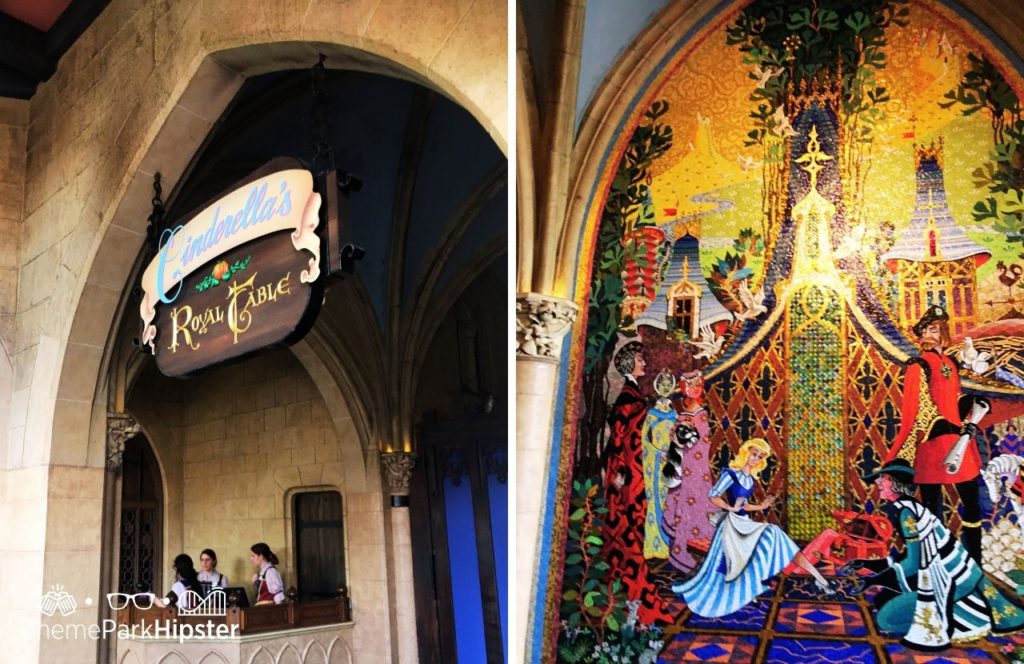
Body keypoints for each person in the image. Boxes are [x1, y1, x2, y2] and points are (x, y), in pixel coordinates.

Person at [846, 460, 1024, 650]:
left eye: (883, 479)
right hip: (951, 577)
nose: (878, 483)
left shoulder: (908, 513)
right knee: (882, 600)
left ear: (896, 484)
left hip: (953, 583)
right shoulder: (911, 508)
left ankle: (953, 620)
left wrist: (873, 580)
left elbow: (913, 563)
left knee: (885, 619)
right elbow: (912, 556)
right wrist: (867, 565)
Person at [672, 438, 835, 617]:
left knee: (777, 535)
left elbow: (745, 505)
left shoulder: (750, 479)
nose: (755, 458)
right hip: (732, 525)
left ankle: (818, 577)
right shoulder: (731, 474)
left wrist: (762, 507)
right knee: (745, 554)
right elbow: (714, 496)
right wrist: (730, 508)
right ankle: (744, 591)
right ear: (746, 451)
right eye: (754, 453)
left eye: (760, 456)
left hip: (745, 522)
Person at [883, 305, 987, 563]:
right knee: (932, 509)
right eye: (929, 329)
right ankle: (934, 563)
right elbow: (917, 407)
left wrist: (970, 410)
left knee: (972, 505)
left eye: (938, 329)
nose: (934, 334)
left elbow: (954, 398)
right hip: (931, 442)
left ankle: (975, 560)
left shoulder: (951, 363)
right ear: (920, 335)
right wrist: (945, 426)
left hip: (959, 441)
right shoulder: (918, 366)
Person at [600, 341, 673, 624]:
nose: (644, 363)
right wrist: (618, 471)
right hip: (628, 473)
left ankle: (632, 582)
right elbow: (618, 437)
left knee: (635, 521)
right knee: (629, 521)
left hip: (635, 469)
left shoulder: (633, 395)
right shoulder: (628, 398)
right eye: (640, 359)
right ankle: (630, 585)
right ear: (630, 364)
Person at [661, 370, 715, 572]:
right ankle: (680, 552)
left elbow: (702, 444)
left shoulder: (701, 414)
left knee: (695, 506)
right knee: (680, 507)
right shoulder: (683, 414)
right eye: (691, 385)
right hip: (681, 466)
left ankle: (696, 552)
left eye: (698, 385)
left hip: (696, 470)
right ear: (684, 389)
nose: (695, 389)